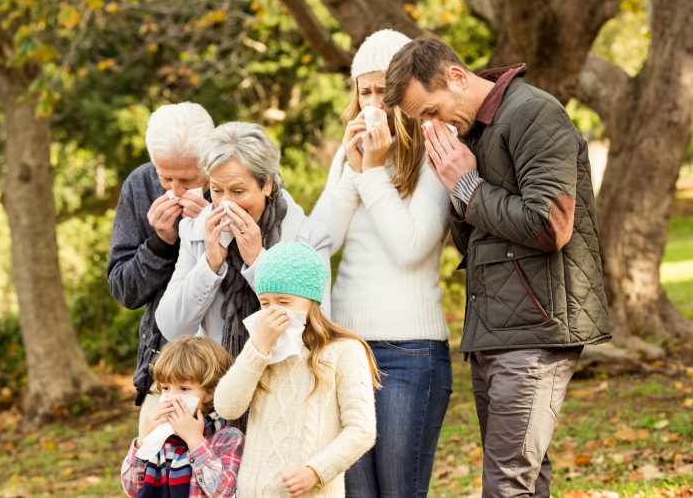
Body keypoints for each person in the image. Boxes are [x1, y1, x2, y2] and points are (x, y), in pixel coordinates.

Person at [383, 35, 612, 497]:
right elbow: (476, 241)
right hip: (494, 330)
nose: (431, 126)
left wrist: (465, 185)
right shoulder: (471, 133)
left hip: (538, 329)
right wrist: (455, 185)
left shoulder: (533, 113)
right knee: (526, 476)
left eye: (430, 111)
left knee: (506, 482)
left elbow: (549, 224)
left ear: (455, 76)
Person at [309, 29, 452, 497]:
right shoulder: (350, 157)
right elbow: (318, 244)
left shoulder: (437, 148)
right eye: (364, 91)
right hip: (346, 346)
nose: (374, 102)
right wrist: (352, 172)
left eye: (383, 91)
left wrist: (373, 173)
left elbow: (411, 247)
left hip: (410, 350)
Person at [212, 241, 379, 497]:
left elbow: (361, 430)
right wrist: (257, 349)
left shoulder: (345, 350)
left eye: (284, 301)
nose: (274, 310)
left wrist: (315, 471)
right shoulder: (261, 349)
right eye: (265, 303)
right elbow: (227, 407)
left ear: (311, 300)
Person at [155, 121, 332, 357]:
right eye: (217, 191)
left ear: (267, 184)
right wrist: (209, 266)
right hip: (217, 383)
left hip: (281, 382)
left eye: (238, 191)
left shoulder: (309, 237)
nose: (227, 203)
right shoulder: (196, 231)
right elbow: (171, 328)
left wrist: (258, 261)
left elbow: (317, 331)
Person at [107, 102, 214, 413]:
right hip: (167, 372)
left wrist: (215, 230)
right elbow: (125, 291)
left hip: (234, 366)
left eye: (189, 180)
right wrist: (160, 244)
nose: (177, 191)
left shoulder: (243, 179)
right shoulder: (141, 185)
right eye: (167, 179)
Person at [120, 335, 244, 497]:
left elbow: (225, 492)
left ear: (211, 391)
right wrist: (143, 441)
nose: (172, 397)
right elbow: (132, 488)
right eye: (165, 388)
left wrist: (195, 441)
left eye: (184, 389)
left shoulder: (228, 438)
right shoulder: (160, 437)